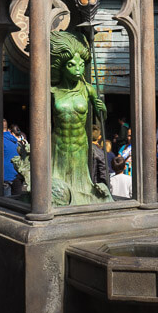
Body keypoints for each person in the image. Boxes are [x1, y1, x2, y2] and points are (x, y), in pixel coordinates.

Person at [50, 30, 111, 205]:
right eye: (71, 65)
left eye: (81, 65)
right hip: (58, 145)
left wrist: (102, 107)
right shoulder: (52, 92)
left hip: (80, 145)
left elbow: (103, 116)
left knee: (82, 185)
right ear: (61, 67)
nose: (77, 69)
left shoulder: (88, 89)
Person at [3, 124, 22, 196]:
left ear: (10, 131)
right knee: (17, 202)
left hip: (5, 175)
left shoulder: (1, 140)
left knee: (5, 202)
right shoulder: (19, 142)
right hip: (17, 174)